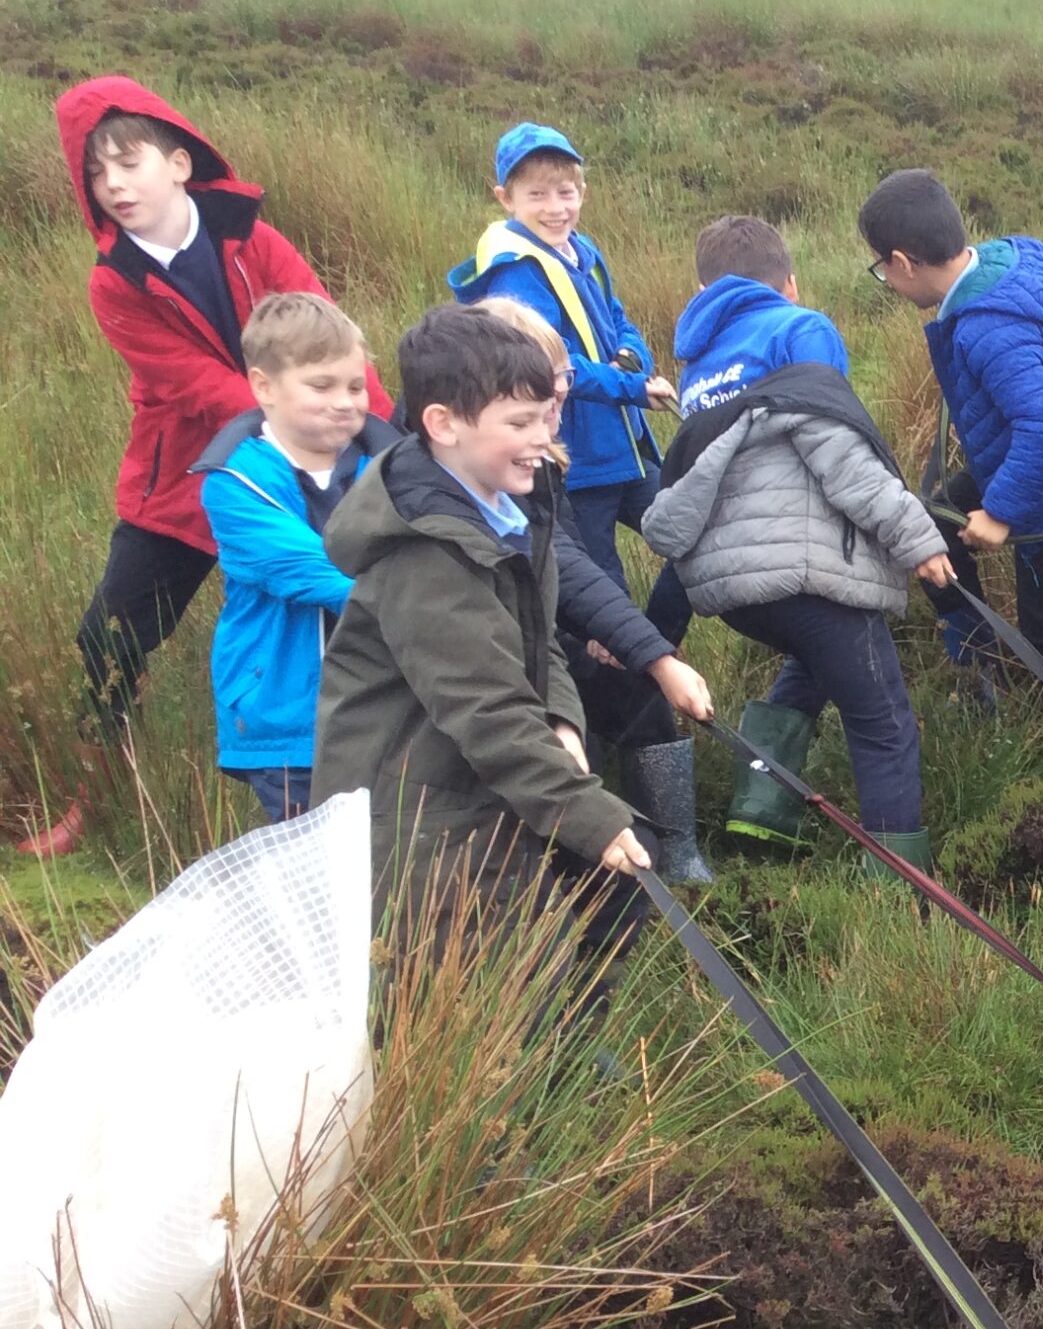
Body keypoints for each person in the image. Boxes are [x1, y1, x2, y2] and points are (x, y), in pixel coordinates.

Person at [26, 78, 389, 859]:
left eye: (130, 163)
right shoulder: (113, 281)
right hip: (184, 483)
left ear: (181, 162)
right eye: (97, 175)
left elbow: (333, 344)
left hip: (315, 459)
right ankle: (95, 799)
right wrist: (292, 416)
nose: (115, 185)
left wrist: (381, 439)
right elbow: (188, 384)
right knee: (110, 640)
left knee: (327, 611)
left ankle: (348, 782)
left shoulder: (254, 237)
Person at [314, 306, 649, 929]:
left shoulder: (512, 506)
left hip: (489, 795)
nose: (541, 438)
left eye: (547, 416)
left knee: (586, 946)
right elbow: (485, 706)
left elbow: (538, 641)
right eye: (520, 422)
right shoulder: (425, 552)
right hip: (417, 824)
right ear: (444, 424)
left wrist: (562, 724)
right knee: (494, 996)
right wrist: (591, 817)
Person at [646, 216, 957, 870]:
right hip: (801, 567)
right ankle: (900, 886)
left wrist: (657, 627)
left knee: (817, 660)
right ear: (789, 282)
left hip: (723, 583)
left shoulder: (700, 363)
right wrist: (917, 542)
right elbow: (835, 446)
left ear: (705, 289)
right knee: (883, 721)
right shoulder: (801, 327)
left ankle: (761, 813)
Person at [858, 168, 1043, 722]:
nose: (887, 280)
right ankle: (976, 649)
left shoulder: (988, 327)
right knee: (934, 522)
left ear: (904, 263)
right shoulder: (1014, 258)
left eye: (882, 269)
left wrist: (1002, 513)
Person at [472, 297, 718, 882]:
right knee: (583, 717)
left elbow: (567, 562)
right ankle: (591, 867)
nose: (559, 412)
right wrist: (651, 651)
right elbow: (554, 563)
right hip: (497, 655)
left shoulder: (541, 463)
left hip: (546, 626)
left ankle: (673, 852)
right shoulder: (483, 473)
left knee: (633, 692)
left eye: (562, 392)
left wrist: (608, 635)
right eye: (548, 398)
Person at [448, 122, 677, 637]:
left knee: (693, 538)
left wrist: (631, 355)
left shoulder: (583, 251)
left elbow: (619, 317)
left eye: (565, 192)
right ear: (505, 198)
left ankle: (663, 649)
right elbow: (555, 367)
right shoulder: (514, 272)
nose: (555, 207)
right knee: (603, 593)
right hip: (579, 460)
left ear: (583, 193)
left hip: (628, 449)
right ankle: (632, 690)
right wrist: (634, 387)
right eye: (537, 195)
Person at [195, 295, 400, 826]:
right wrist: (423, 593)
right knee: (315, 868)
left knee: (393, 867)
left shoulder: (397, 466)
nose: (345, 402)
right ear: (264, 386)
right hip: (288, 720)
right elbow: (317, 573)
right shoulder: (233, 483)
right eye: (321, 386)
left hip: (388, 708)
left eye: (355, 387)